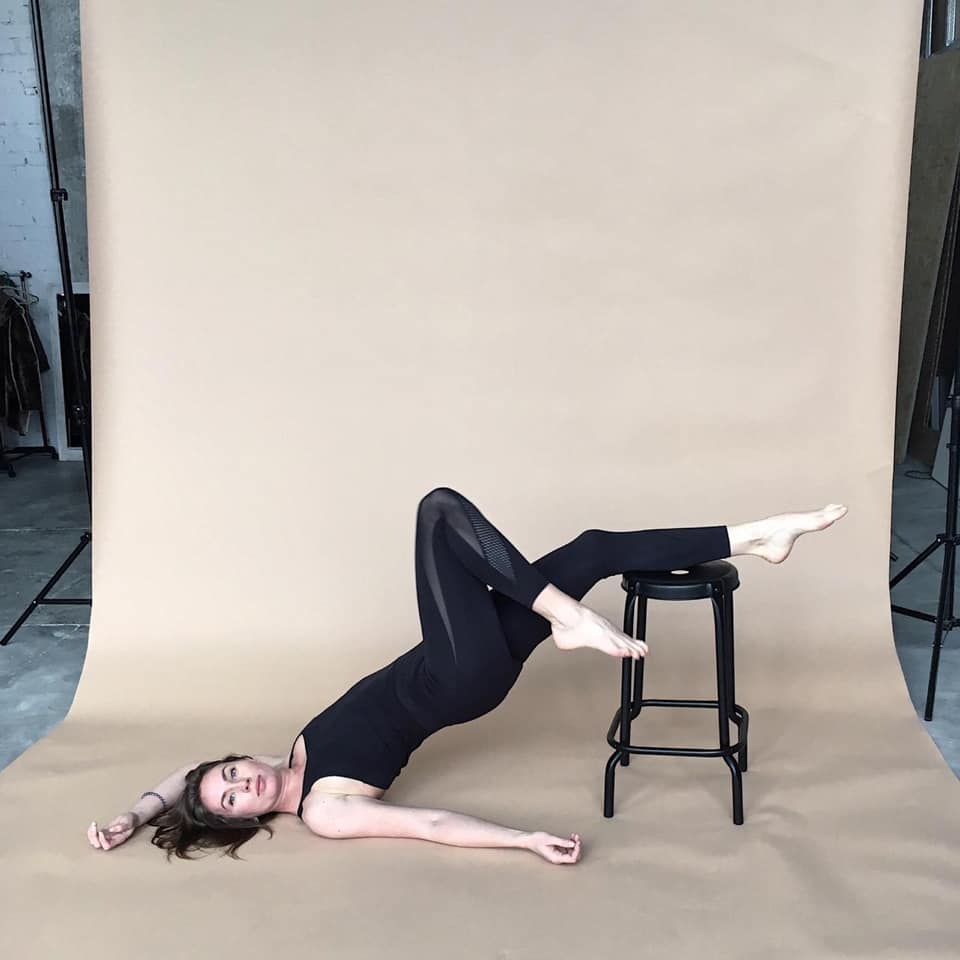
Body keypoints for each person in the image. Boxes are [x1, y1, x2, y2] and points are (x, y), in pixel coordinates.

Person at [89, 487, 847, 865]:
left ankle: (756, 537)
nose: (238, 784)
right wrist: (523, 840)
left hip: (460, 653)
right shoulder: (325, 810)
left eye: (229, 773)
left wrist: (133, 813)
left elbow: (185, 775)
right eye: (232, 800)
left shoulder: (286, 756)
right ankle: (572, 621)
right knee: (439, 510)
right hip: (459, 678)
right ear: (247, 821)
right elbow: (430, 825)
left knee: (590, 548)